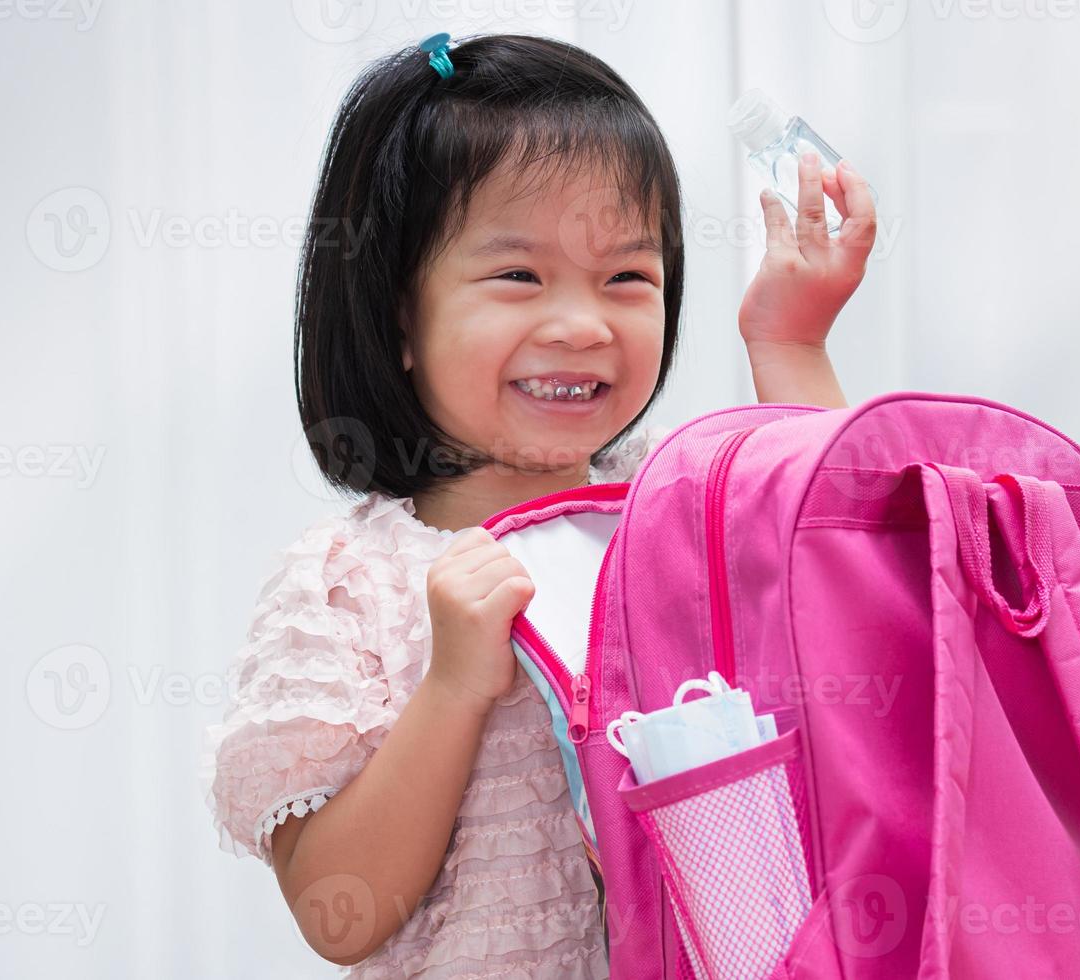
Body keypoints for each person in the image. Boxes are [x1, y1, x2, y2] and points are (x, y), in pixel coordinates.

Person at [198, 30, 876, 978]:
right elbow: (337, 915)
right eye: (518, 276)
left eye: (627, 278)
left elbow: (836, 573)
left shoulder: (671, 510)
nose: (582, 324)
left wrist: (791, 342)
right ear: (401, 315)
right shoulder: (352, 584)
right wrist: (452, 689)